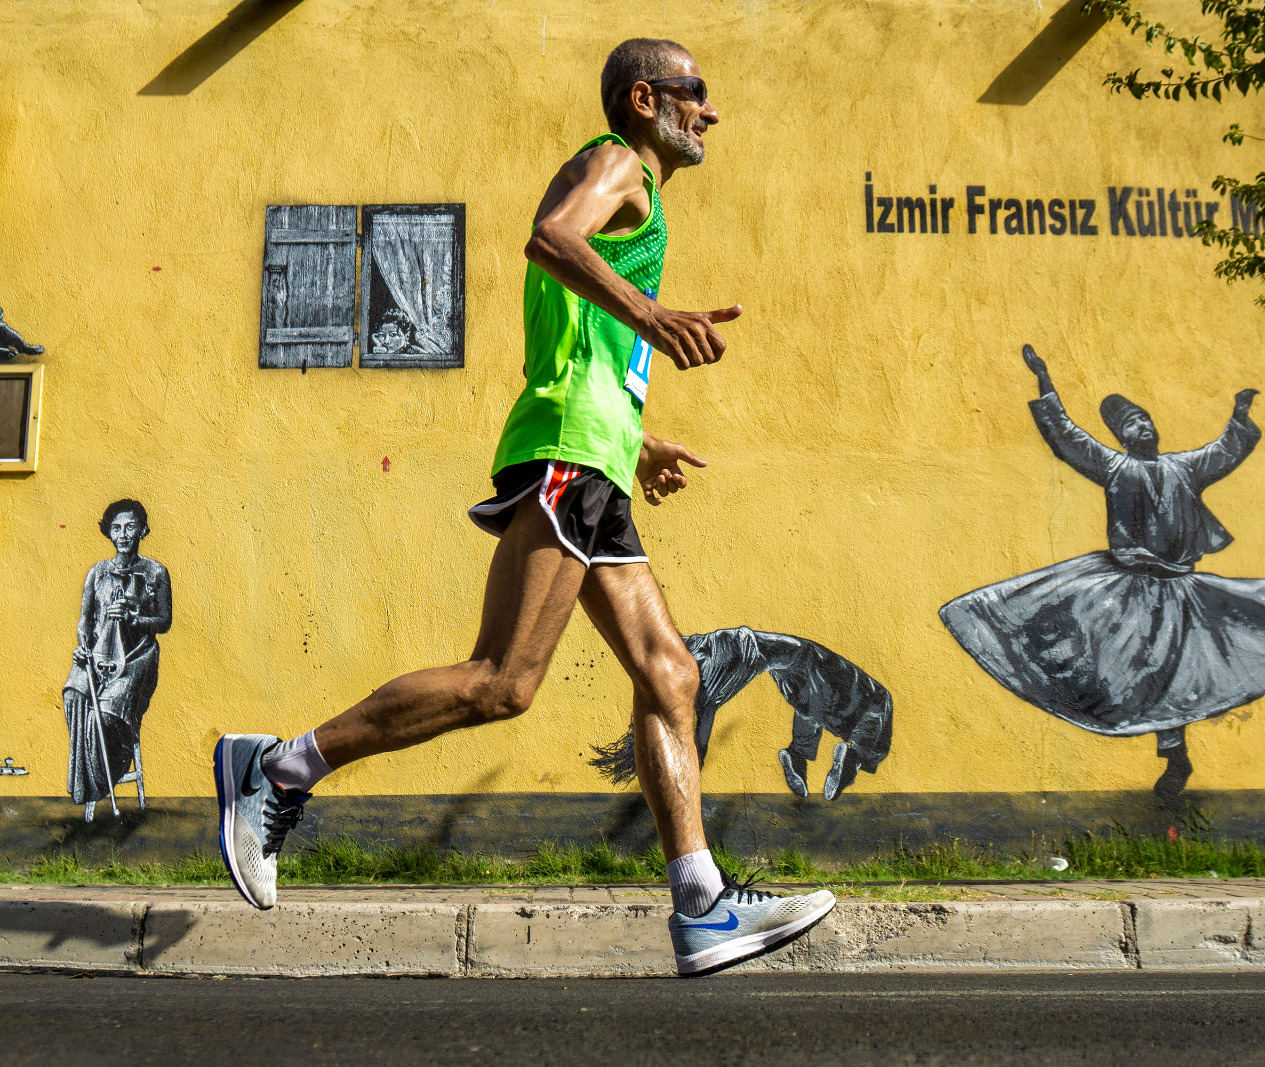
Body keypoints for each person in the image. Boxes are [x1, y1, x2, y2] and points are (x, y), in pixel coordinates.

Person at [213, 39, 834, 977]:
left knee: (671, 674)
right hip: (570, 457)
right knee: (503, 681)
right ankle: (277, 769)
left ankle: (702, 904)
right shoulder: (616, 162)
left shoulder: (643, 198)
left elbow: (573, 337)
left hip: (598, 453)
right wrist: (655, 320)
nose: (710, 112)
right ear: (644, 98)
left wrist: (640, 435)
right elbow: (550, 238)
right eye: (696, 93)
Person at [939, 345, 1265, 801]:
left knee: (1200, 657)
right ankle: (1109, 712)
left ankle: (1176, 752)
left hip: (1180, 587)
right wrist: (1045, 383)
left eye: (1145, 419)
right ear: (1121, 436)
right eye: (1131, 424)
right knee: (1125, 660)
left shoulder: (1182, 468)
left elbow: (1223, 452)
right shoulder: (1115, 466)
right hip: (1128, 585)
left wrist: (1239, 414)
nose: (1142, 426)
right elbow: (1068, 438)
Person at [590, 626, 894, 799]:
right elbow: (705, 717)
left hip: (780, 662)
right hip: (790, 659)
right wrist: (698, 753)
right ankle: (847, 759)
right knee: (853, 710)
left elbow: (705, 717)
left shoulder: (698, 664)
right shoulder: (707, 666)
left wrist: (697, 754)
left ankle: (800, 756)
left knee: (810, 706)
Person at [63, 500, 171, 819]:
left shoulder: (155, 571)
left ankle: (105, 777)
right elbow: (85, 620)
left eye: (129, 527)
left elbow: (164, 621)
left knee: (105, 715)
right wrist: (83, 645)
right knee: (73, 696)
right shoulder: (97, 572)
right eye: (116, 528)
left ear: (142, 531)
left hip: (137, 660)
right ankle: (92, 782)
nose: (122, 534)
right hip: (98, 655)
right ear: (108, 533)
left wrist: (134, 618)